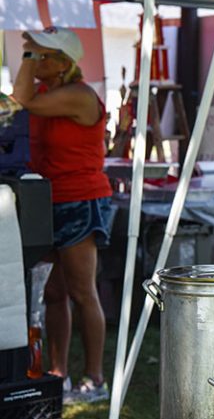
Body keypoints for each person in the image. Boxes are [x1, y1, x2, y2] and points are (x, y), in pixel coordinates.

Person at [12, 26, 113, 404]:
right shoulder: (45, 93)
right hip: (45, 199)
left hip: (80, 199)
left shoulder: (78, 95)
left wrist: (26, 58)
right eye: (32, 52)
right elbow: (19, 100)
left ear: (60, 63)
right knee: (53, 292)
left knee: (82, 292)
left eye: (41, 54)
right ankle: (59, 375)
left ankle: (95, 379)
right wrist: (32, 55)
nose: (33, 59)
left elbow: (20, 98)